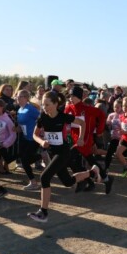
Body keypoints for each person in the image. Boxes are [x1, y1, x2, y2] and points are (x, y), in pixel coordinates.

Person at [27, 92, 101, 223]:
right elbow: (35, 135)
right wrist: (41, 142)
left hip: (63, 152)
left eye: (47, 104)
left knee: (44, 177)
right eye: (43, 104)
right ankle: (92, 172)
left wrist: (80, 138)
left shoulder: (63, 117)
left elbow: (82, 124)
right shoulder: (42, 117)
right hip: (52, 152)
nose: (45, 107)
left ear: (56, 104)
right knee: (68, 182)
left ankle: (43, 212)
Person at [65, 86, 113, 194]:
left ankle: (86, 180)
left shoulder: (87, 109)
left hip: (85, 140)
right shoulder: (69, 108)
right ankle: (104, 179)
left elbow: (101, 115)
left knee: (69, 158)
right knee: (90, 161)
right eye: (70, 96)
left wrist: (99, 130)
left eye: (73, 96)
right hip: (74, 139)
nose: (71, 98)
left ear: (79, 96)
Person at [16, 89, 42, 190]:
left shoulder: (31, 109)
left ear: (26, 98)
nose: (17, 99)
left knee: (25, 161)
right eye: (17, 97)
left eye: (20, 97)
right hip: (25, 138)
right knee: (24, 160)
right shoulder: (20, 109)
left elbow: (41, 118)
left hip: (33, 138)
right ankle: (42, 155)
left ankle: (33, 183)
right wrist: (17, 129)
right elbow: (22, 124)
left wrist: (41, 130)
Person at [105, 100, 123, 171]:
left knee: (122, 153)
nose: (116, 108)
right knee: (109, 152)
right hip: (114, 137)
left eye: (118, 107)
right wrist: (108, 123)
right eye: (115, 107)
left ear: (121, 107)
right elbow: (107, 124)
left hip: (122, 138)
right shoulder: (111, 115)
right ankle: (106, 167)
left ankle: (126, 164)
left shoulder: (124, 115)